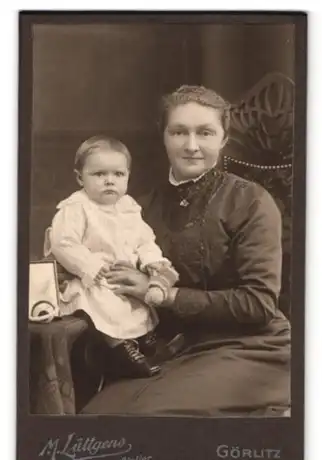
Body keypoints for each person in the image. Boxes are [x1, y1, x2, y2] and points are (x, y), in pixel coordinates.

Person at [81, 84, 291, 417]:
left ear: (223, 139)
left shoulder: (251, 201)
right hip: (171, 348)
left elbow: (259, 303)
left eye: (205, 133)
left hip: (250, 348)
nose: (191, 146)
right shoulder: (136, 207)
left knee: (144, 418)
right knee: (95, 416)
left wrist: (164, 296)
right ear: (163, 136)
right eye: (179, 132)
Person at [44, 136, 179, 379]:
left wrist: (151, 261)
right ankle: (120, 349)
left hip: (124, 275)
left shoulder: (127, 206)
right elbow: (63, 243)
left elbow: (144, 239)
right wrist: (90, 266)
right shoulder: (76, 207)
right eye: (99, 174)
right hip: (91, 278)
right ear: (80, 178)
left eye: (118, 174)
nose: (109, 181)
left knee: (139, 302)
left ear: (127, 176)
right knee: (104, 304)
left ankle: (146, 341)